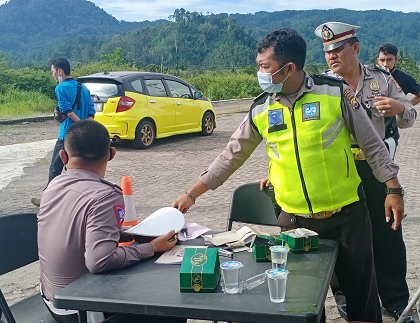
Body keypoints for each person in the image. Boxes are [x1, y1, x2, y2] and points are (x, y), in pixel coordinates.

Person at [172, 28, 406, 323]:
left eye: (264, 67)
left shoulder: (334, 93)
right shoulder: (261, 108)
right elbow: (231, 156)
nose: (260, 73)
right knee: (302, 301)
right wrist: (191, 193)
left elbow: (372, 144)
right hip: (294, 224)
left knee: (361, 301)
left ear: (288, 68)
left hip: (347, 217)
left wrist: (393, 189)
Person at [315, 23, 417, 323]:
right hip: (337, 170)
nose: (331, 56)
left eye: (337, 49)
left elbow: (411, 116)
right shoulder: (320, 84)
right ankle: (347, 299)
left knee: (388, 235)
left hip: (374, 169)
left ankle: (396, 301)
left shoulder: (382, 79)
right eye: (326, 52)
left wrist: (398, 106)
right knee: (342, 238)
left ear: (355, 48)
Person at [37, 119, 182, 323]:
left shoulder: (54, 186)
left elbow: (81, 232)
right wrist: (151, 247)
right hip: (83, 310)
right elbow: (99, 261)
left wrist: (137, 234)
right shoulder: (104, 196)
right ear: (112, 153)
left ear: (63, 156)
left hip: (53, 300)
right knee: (172, 306)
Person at [31, 58, 95, 207]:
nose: (53, 75)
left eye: (53, 72)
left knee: (55, 168)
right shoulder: (83, 88)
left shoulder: (60, 88)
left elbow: (67, 109)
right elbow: (91, 110)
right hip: (82, 135)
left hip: (66, 134)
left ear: (60, 71)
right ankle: (80, 200)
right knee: (78, 168)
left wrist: (78, 125)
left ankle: (46, 201)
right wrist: (85, 127)